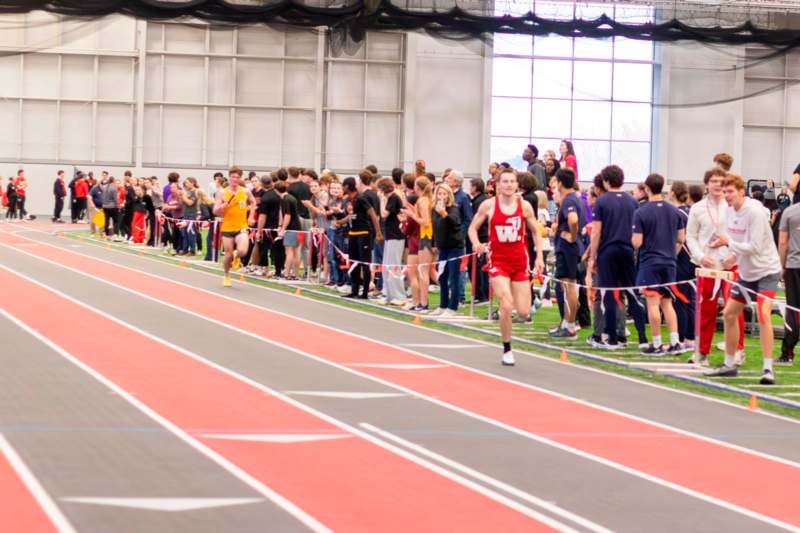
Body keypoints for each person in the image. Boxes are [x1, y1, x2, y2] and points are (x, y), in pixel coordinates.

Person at [706, 174, 782, 384]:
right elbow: (739, 243)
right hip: (747, 273)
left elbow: (755, 247)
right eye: (724, 192)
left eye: (730, 191)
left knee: (764, 314)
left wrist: (727, 244)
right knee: (730, 313)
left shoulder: (755, 212)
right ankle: (729, 364)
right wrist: (731, 256)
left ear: (741, 192)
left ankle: (768, 370)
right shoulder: (729, 212)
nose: (726, 196)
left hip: (767, 270)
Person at [469, 167, 544, 365]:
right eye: (505, 181)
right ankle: (507, 348)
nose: (509, 185)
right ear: (498, 185)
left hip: (520, 261)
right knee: (506, 303)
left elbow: (536, 232)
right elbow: (472, 228)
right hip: (498, 261)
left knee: (523, 312)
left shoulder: (525, 206)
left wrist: (539, 258)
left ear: (517, 184)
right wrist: (477, 244)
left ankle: (532, 298)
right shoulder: (488, 205)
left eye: (512, 181)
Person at [685, 168, 744, 365]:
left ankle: (737, 350)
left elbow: (744, 236)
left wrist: (735, 256)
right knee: (705, 309)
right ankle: (701, 352)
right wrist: (700, 256)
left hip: (730, 264)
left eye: (721, 181)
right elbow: (690, 236)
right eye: (713, 181)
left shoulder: (735, 207)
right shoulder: (698, 208)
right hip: (708, 265)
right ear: (706, 184)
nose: (718, 184)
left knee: (734, 308)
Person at [587, 165, 648, 350]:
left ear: (606, 181)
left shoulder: (602, 201)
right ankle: (642, 338)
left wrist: (592, 257)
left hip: (608, 251)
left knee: (609, 294)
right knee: (631, 293)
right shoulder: (632, 201)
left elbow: (596, 231)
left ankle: (613, 339)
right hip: (628, 250)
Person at [632, 173, 686, 355]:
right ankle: (675, 342)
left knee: (653, 304)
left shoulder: (641, 212)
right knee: (667, 303)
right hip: (669, 262)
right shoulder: (675, 211)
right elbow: (681, 238)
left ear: (647, 188)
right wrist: (672, 254)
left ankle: (656, 343)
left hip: (650, 263)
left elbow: (637, 242)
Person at [549, 168, 584, 340]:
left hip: (568, 249)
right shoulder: (572, 198)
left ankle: (570, 326)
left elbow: (573, 219)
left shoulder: (569, 200)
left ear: (561, 183)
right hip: (568, 249)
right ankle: (567, 322)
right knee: (568, 286)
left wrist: (572, 234)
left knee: (569, 286)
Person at [214, 166, 257, 287]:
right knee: (227, 255)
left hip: (241, 226)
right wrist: (221, 207)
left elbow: (253, 202)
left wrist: (251, 216)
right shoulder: (222, 193)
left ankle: (236, 255)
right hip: (227, 227)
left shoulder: (245, 191)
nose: (235, 179)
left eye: (237, 177)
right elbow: (215, 211)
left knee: (243, 250)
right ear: (229, 177)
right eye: (233, 176)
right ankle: (227, 275)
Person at [342, 176, 383, 299]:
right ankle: (354, 290)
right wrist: (341, 221)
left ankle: (365, 292)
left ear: (347, 186)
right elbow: (352, 216)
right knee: (353, 262)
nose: (342, 188)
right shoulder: (351, 200)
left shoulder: (361, 198)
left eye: (343, 185)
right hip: (353, 234)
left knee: (364, 263)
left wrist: (378, 232)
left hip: (363, 234)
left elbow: (372, 213)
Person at [429, 183, 464, 317]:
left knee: (453, 277)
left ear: (449, 195)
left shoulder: (453, 208)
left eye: (444, 194)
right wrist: (434, 243)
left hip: (454, 247)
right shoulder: (434, 210)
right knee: (442, 276)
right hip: (442, 247)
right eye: (439, 194)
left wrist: (444, 213)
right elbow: (435, 227)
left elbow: (455, 222)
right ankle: (443, 305)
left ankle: (452, 306)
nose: (442, 196)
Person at [403, 177, 434, 312]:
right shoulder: (426, 200)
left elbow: (426, 222)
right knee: (425, 271)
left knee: (423, 272)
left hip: (426, 236)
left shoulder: (423, 200)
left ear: (417, 187)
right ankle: (422, 302)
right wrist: (410, 210)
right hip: (425, 236)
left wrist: (412, 215)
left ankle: (423, 303)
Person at [377, 177, 406, 306]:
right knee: (386, 266)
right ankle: (389, 294)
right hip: (390, 235)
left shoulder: (393, 198)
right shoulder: (391, 198)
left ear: (382, 190)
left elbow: (384, 214)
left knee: (393, 266)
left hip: (396, 236)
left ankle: (399, 295)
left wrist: (382, 201)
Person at [778, 198, 800, 366]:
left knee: (793, 309)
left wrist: (781, 265)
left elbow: (783, 242)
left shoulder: (790, 211)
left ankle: (787, 353)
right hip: (793, 265)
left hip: (794, 266)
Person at [287, 167, 312, 278]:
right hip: (308, 218)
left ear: (290, 175)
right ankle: (307, 271)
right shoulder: (307, 187)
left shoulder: (290, 188)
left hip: (296, 218)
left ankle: (293, 271)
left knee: (294, 248)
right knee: (306, 247)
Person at [469, 177, 490, 303]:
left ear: (476, 187)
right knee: (481, 266)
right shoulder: (479, 200)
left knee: (480, 267)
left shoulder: (480, 202)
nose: (469, 188)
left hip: (481, 237)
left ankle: (481, 294)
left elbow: (477, 222)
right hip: (481, 236)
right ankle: (482, 294)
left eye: (471, 185)